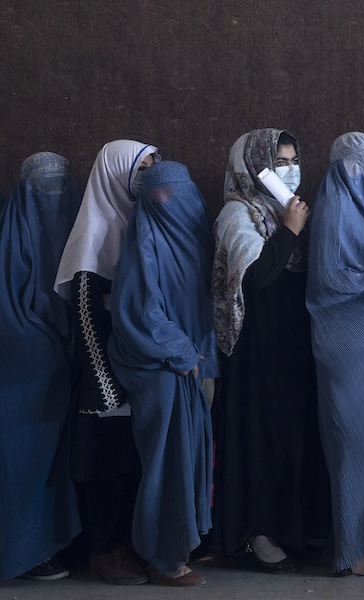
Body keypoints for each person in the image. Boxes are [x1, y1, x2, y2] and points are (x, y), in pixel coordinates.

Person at [211, 128, 327, 573]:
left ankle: (291, 529)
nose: (290, 169)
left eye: (294, 160)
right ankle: (254, 532)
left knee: (293, 437)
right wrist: (290, 231)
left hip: (291, 344)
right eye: (279, 162)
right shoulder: (237, 214)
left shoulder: (285, 210)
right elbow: (256, 277)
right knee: (261, 437)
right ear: (253, 165)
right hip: (254, 349)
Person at [53, 139, 159, 586]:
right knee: (103, 462)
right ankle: (105, 552)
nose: (150, 174)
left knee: (129, 460)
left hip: (131, 365)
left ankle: (128, 547)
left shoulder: (135, 223)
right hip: (102, 372)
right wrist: (103, 382)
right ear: (115, 173)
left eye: (154, 165)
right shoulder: (92, 236)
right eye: (142, 167)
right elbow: (86, 317)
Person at [108, 161, 217, 587]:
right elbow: (139, 311)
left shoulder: (201, 234)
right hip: (162, 366)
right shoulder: (145, 240)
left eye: (177, 193)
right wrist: (183, 352)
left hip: (199, 361)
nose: (169, 202)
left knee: (192, 457)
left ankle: (184, 546)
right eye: (159, 195)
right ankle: (164, 557)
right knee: (167, 461)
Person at [305, 132, 364, 577]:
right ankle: (350, 552)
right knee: (354, 447)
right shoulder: (333, 209)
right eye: (358, 165)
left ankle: (355, 542)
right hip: (345, 343)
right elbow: (330, 279)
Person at [0, 152, 83, 581]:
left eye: (59, 185)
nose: (53, 195)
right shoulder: (10, 231)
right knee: (26, 459)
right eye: (42, 187)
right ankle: (24, 552)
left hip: (72, 359)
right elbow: (7, 303)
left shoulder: (79, 224)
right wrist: (45, 342)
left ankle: (57, 546)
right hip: (25, 367)